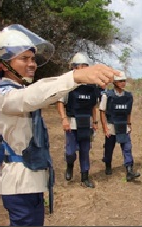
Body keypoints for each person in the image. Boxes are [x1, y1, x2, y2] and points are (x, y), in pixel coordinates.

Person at [0, 24, 119, 226]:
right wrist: (75, 76)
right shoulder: (1, 96)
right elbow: (31, 96)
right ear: (3, 64)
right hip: (18, 184)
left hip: (31, 181)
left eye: (33, 59)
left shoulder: (19, 89)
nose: (32, 64)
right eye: (24, 59)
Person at [57, 52, 100, 188]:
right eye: (81, 66)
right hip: (71, 122)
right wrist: (64, 119)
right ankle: (70, 166)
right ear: (74, 68)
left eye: (86, 66)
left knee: (85, 150)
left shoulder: (92, 86)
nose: (84, 69)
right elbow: (60, 103)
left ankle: (85, 177)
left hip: (86, 123)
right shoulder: (68, 84)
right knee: (70, 152)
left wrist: (95, 121)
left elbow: (93, 105)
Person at [99, 71, 141, 181]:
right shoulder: (107, 95)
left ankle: (129, 170)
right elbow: (102, 111)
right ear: (115, 82)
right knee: (109, 148)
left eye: (124, 81)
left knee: (127, 148)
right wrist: (104, 127)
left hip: (123, 125)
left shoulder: (128, 96)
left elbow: (128, 112)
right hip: (111, 125)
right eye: (121, 81)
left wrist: (129, 124)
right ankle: (108, 165)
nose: (123, 83)